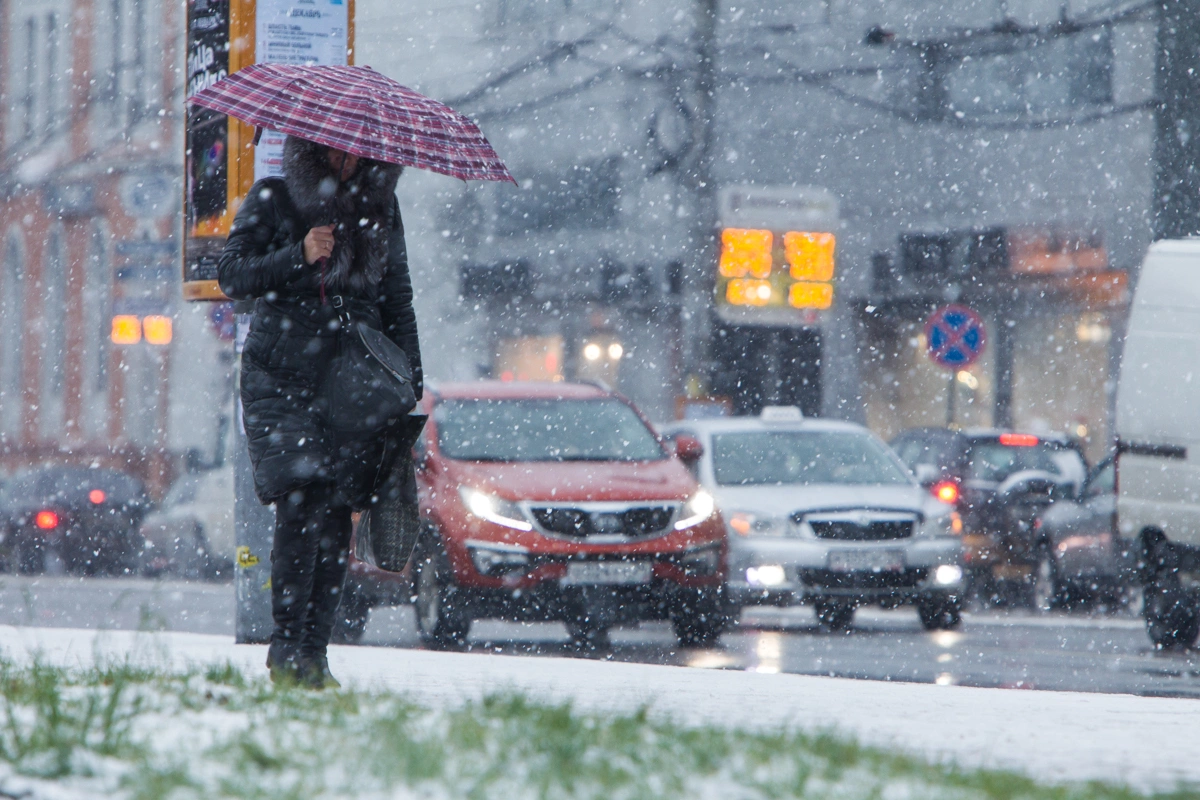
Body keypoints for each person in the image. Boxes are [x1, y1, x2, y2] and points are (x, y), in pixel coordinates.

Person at [217, 135, 422, 688]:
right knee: (301, 499)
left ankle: (316, 653)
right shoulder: (275, 198)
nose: (350, 161)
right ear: (312, 148)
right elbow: (233, 276)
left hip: (352, 383)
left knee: (336, 516)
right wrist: (299, 254)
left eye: (361, 153)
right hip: (280, 376)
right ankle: (286, 649)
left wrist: (411, 381)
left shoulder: (381, 208)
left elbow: (396, 295)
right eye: (339, 150)